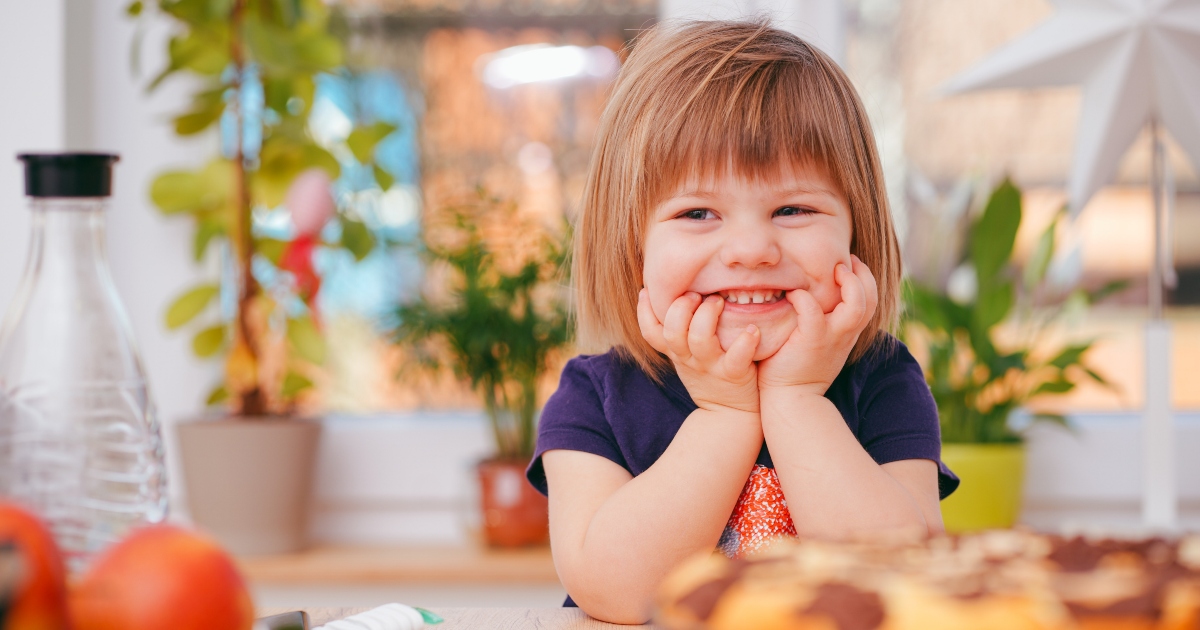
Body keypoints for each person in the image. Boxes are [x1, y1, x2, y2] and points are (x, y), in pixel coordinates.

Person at [524, 19, 959, 624]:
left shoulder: (883, 379)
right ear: (633, 247)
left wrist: (797, 401)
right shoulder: (593, 396)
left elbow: (902, 583)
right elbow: (614, 593)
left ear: (857, 233)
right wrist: (725, 414)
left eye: (793, 208)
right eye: (698, 212)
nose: (751, 248)